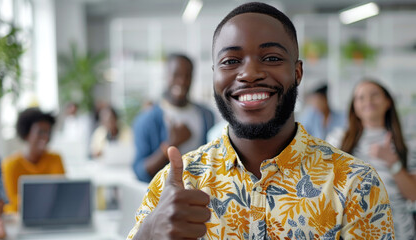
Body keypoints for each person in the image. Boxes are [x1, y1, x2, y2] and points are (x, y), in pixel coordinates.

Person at [127, 2, 394, 239]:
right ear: (214, 76)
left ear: (297, 72)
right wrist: (149, 234)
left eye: (271, 58)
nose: (250, 73)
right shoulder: (175, 185)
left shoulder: (355, 183)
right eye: (231, 60)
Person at [327, 79, 416, 239]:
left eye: (374, 95)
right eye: (361, 97)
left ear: (388, 102)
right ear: (354, 107)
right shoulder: (338, 140)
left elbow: (413, 194)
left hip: (399, 232)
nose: (368, 101)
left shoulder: (407, 144)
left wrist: (392, 162)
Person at [132, 53, 215, 183]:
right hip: (165, 197)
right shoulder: (147, 119)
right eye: (176, 75)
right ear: (166, 76)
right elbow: (140, 172)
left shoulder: (206, 115)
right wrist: (172, 143)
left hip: (202, 193)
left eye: (188, 75)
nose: (182, 81)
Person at [2, 108, 65, 213]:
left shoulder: (55, 159)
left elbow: (61, 194)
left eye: (48, 133)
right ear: (26, 133)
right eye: (40, 132)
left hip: (51, 218)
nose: (45, 137)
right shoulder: (10, 165)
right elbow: (10, 205)